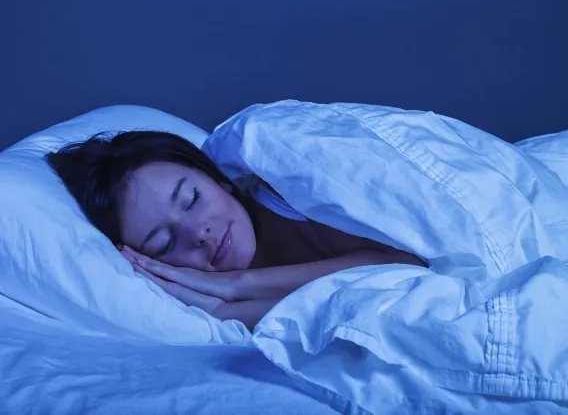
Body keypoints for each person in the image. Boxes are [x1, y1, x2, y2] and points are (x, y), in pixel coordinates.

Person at [46, 131, 426, 330]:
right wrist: (221, 310)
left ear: (219, 180)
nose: (199, 233)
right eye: (164, 243)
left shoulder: (288, 195)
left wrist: (238, 287)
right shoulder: (195, 297)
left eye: (193, 199)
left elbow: (401, 265)